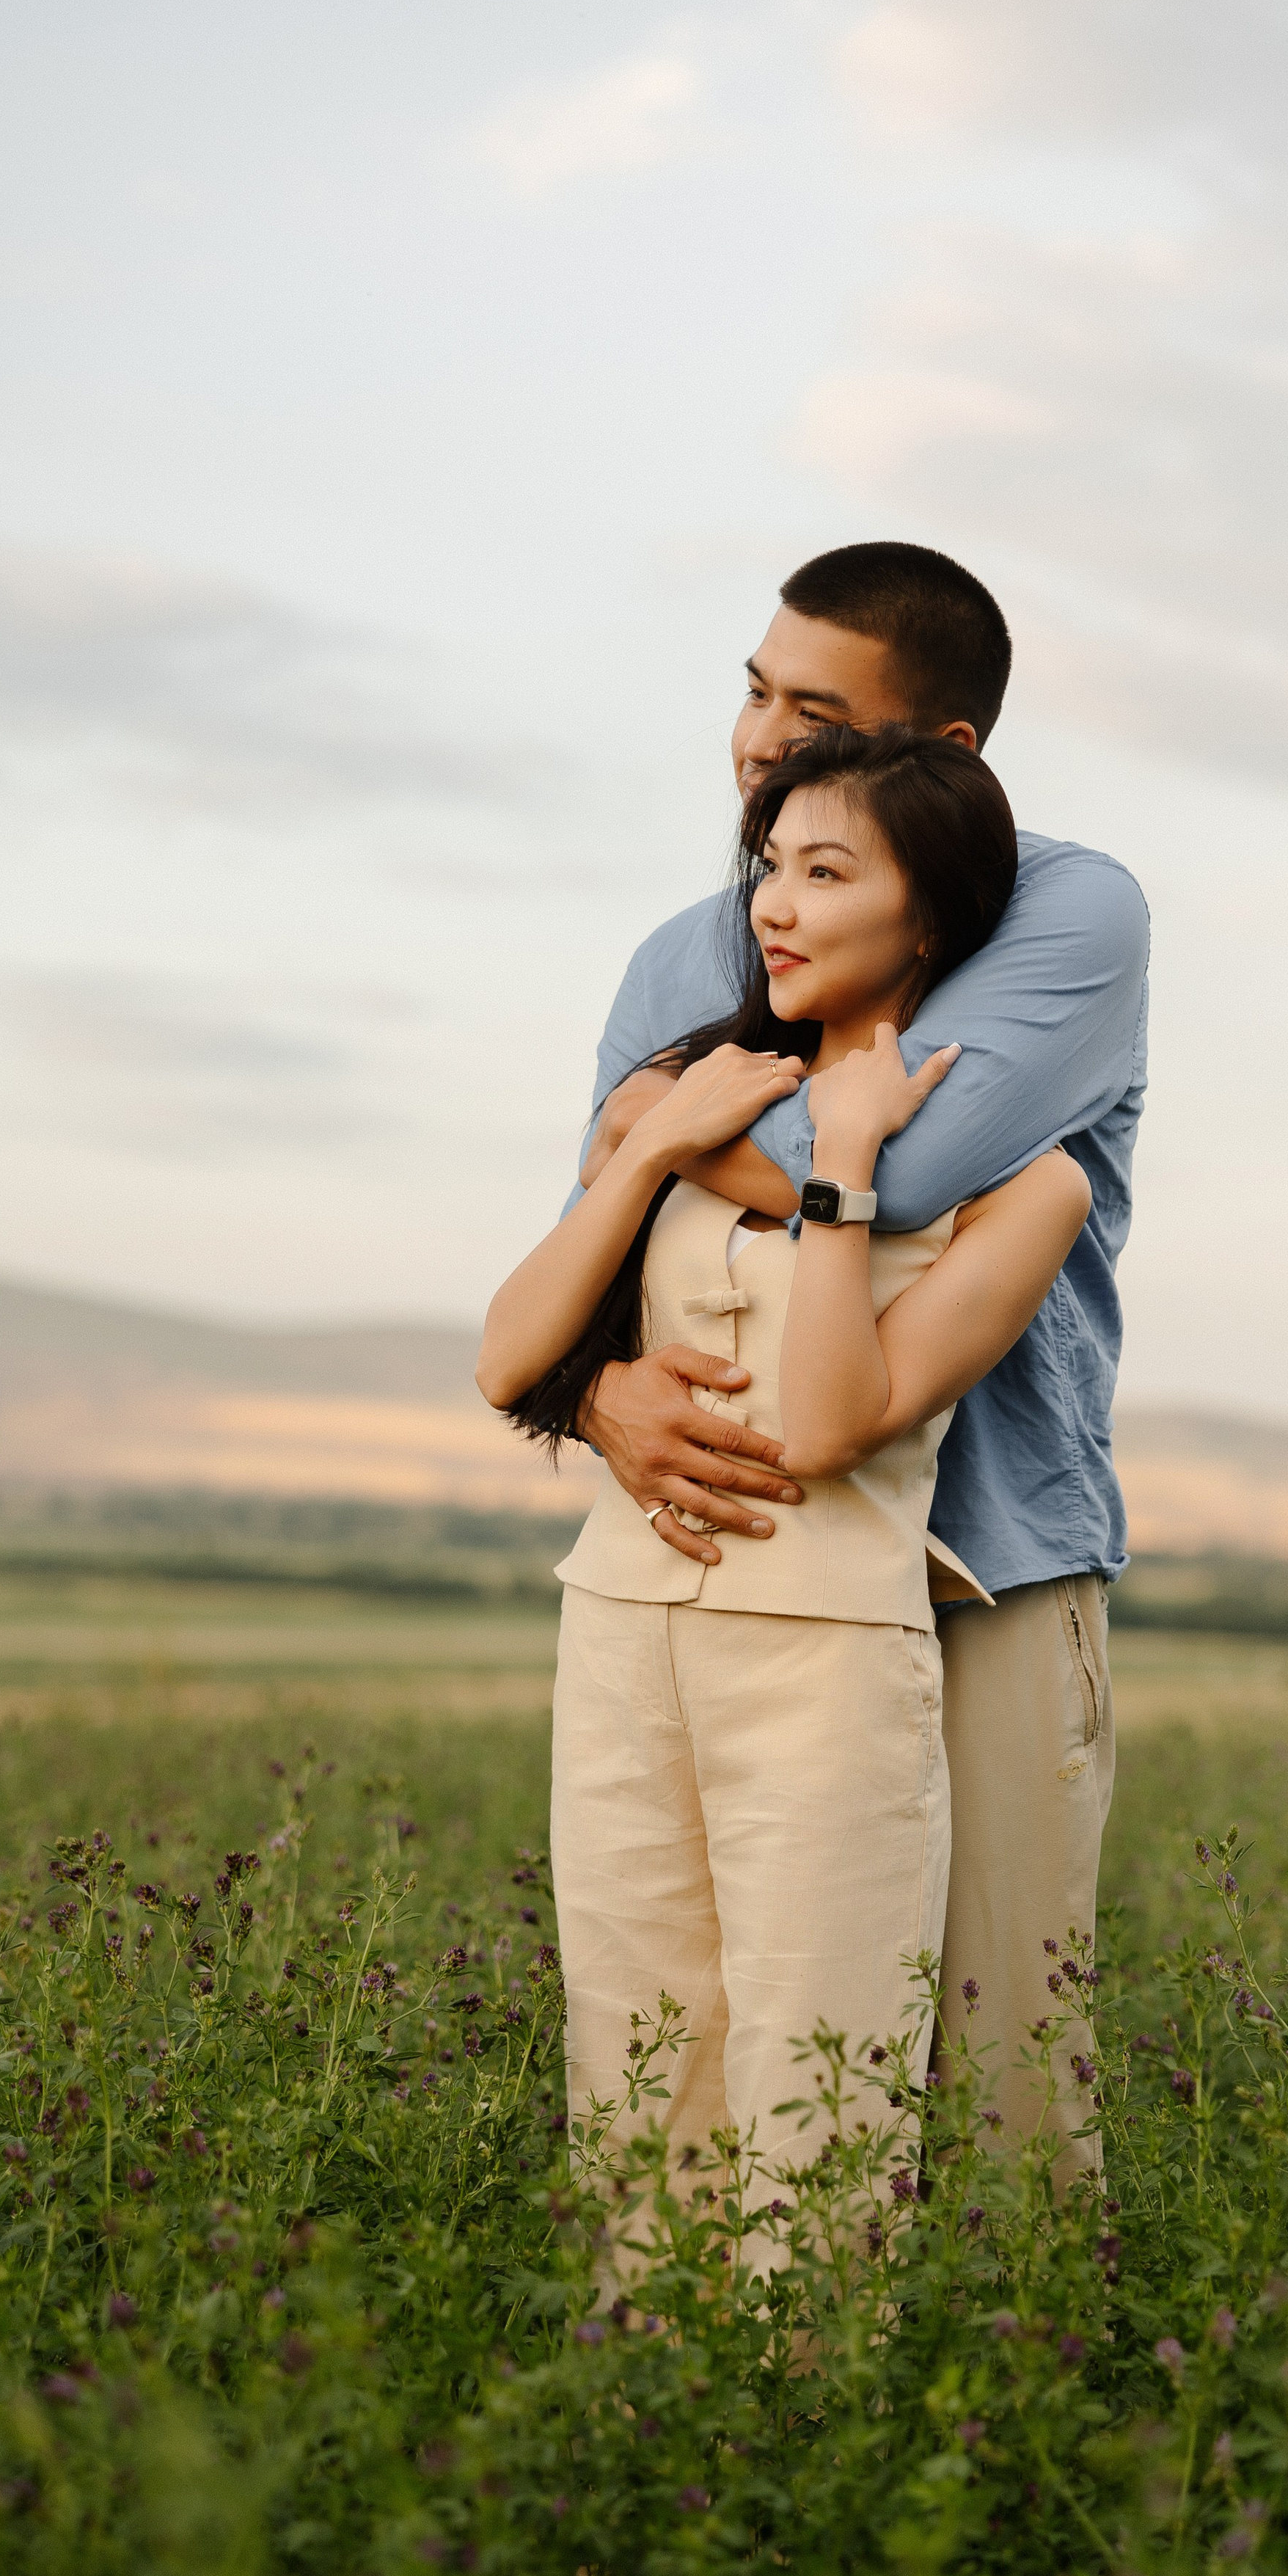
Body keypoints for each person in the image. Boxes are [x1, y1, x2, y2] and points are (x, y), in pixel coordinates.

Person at [572, 544, 1149, 2181]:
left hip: (984, 1565)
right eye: (753, 688)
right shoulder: (683, 959)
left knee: (997, 2072)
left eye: (812, 709)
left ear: (942, 753)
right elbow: (576, 1263)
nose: (758, 737)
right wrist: (605, 1399)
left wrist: (669, 1127)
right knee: (688, 2047)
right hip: (741, 1568)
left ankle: (1009, 2418)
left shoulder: (1068, 908)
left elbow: (902, 1174)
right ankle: (704, 2419)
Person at [478, 728, 1091, 2215]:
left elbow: (826, 1426)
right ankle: (653, 2423)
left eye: (825, 872)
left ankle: (802, 2421)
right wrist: (640, 1149)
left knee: (819, 2082)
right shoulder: (682, 1091)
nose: (774, 904)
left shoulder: (1027, 1184)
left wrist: (843, 1169)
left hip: (825, 1657)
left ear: (928, 916)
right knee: (633, 2068)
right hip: (620, 1626)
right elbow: (510, 1358)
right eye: (768, 867)